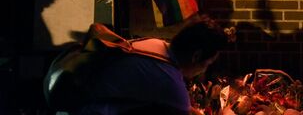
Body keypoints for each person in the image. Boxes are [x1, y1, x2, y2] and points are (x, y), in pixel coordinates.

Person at [73, 14, 229, 115]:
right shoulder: (170, 81)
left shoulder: (156, 44)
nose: (205, 69)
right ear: (196, 56)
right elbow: (181, 106)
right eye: (208, 63)